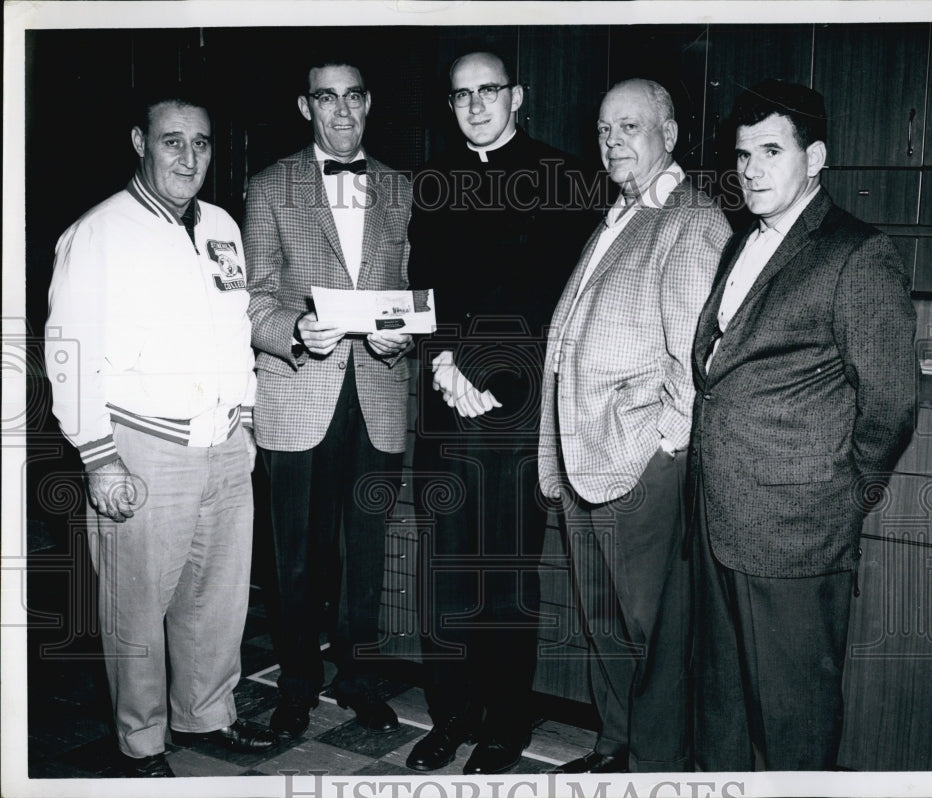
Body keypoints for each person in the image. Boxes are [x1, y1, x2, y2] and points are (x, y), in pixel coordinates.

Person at [45, 86, 277, 778]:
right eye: (172, 141)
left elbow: (235, 329)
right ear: (141, 144)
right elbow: (70, 351)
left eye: (201, 143)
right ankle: (142, 742)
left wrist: (248, 419)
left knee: (217, 599)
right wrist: (98, 458)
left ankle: (206, 715)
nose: (189, 156)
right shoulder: (99, 233)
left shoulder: (221, 228)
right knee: (136, 609)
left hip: (225, 445)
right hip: (142, 448)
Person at [689, 79, 917, 770]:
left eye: (770, 150)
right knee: (722, 708)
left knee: (795, 724)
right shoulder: (739, 245)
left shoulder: (856, 254)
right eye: (741, 154)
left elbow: (893, 401)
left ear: (814, 157)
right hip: (719, 519)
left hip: (797, 532)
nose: (750, 169)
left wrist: (848, 495)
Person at [404, 51, 596, 775]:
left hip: (515, 410)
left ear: (517, 95)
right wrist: (447, 366)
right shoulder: (433, 180)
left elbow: (550, 295)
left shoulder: (561, 175)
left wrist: (489, 377)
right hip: (447, 404)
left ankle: (504, 728)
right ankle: (451, 715)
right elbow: (426, 284)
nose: (476, 105)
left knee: (508, 575)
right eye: (461, 96)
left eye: (489, 91)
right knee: (447, 573)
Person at [538, 78, 731, 773]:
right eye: (604, 130)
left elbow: (696, 356)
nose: (613, 142)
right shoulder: (621, 213)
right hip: (586, 461)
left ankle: (655, 768)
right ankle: (615, 747)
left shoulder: (691, 218)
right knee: (605, 625)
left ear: (669, 135)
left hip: (637, 465)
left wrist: (662, 447)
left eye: (630, 127)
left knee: (653, 633)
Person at [243, 56, 413, 739]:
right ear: (305, 106)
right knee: (295, 561)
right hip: (297, 394)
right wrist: (292, 330)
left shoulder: (400, 187)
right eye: (326, 98)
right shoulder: (268, 185)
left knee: (365, 557)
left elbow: (407, 289)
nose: (341, 111)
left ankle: (359, 678)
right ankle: (296, 685)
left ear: (368, 103)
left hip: (376, 392)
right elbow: (253, 300)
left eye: (352, 98)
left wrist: (401, 337)